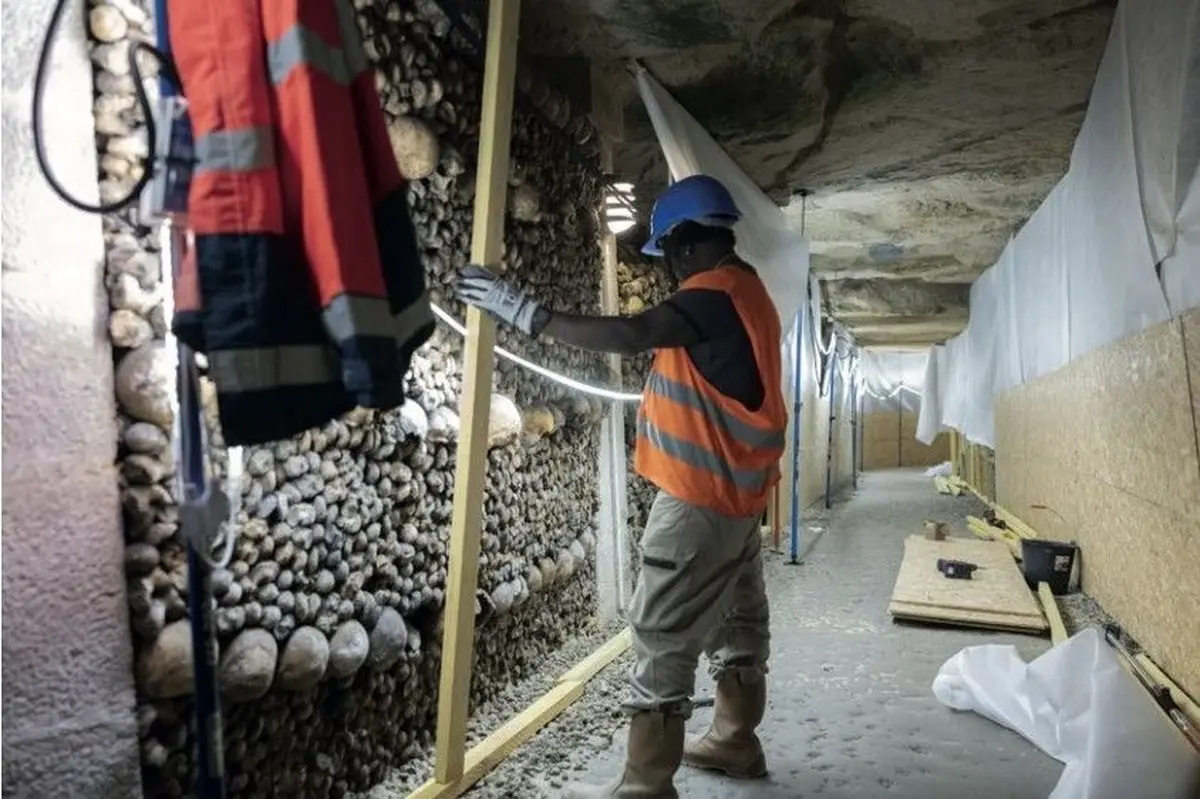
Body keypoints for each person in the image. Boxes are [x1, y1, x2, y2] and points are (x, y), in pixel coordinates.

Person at [456, 174, 787, 798]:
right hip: (740, 502)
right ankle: (737, 740)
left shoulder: (711, 294)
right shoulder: (751, 295)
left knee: (662, 635)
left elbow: (634, 334)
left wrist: (530, 315)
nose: (669, 271)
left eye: (671, 255)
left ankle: (645, 786)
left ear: (687, 242)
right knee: (741, 623)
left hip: (697, 500)